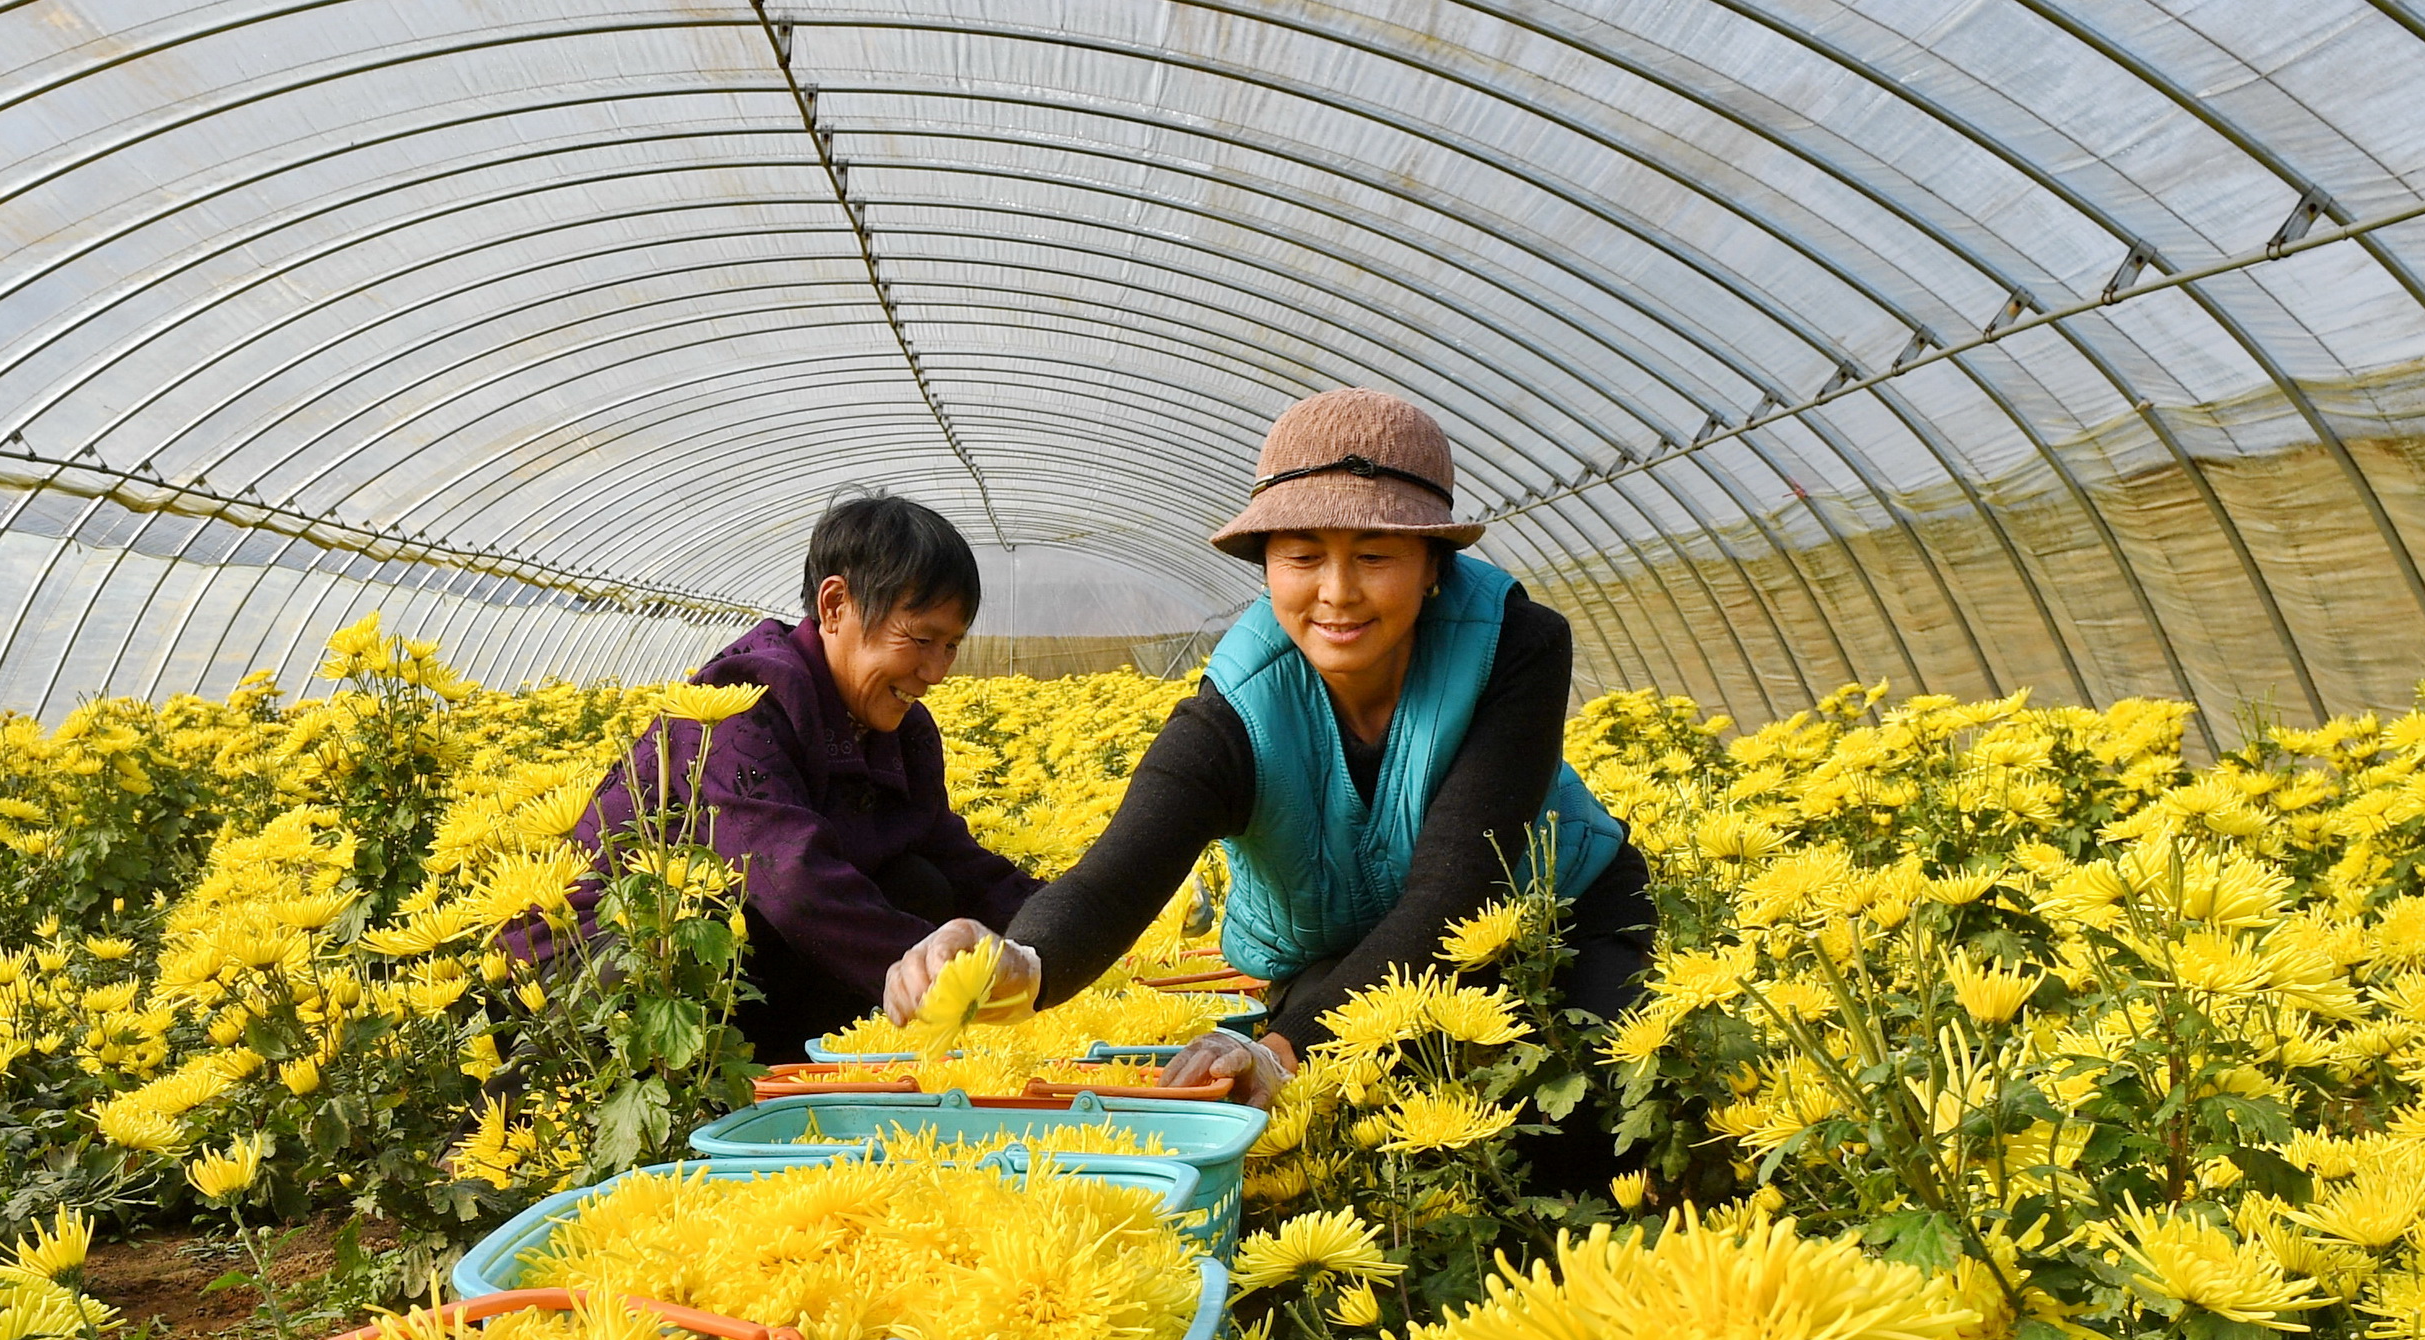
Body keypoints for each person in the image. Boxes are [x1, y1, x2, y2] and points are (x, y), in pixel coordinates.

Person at [881, 387, 1651, 1109]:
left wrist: (1283, 1048)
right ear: (1267, 568)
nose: (1337, 592)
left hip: (1561, 916)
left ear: (1434, 570)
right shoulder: (1239, 706)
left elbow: (1457, 892)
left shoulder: (1514, 645)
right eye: (1303, 556)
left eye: (1375, 556)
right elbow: (1116, 878)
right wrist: (1016, 964)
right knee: (1346, 1115)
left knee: (1587, 1090)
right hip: (1342, 952)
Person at [527, 492, 1041, 1062]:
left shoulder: (904, 732)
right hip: (598, 965)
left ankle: (814, 1075)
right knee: (780, 916)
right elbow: (789, 879)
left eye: (952, 646)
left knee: (919, 884)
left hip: (732, 955)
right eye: (921, 639)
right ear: (836, 604)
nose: (937, 672)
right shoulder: (737, 706)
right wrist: (919, 971)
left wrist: (1060, 939)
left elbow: (953, 857)